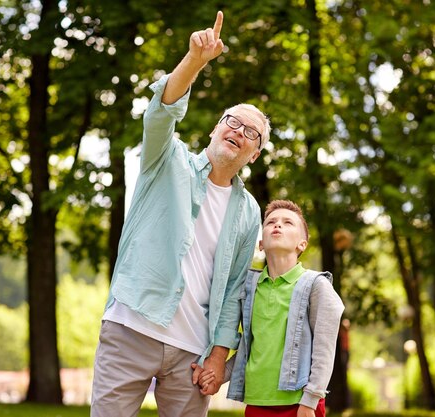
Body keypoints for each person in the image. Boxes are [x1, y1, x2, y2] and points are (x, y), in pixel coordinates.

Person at [90, 10, 271, 417]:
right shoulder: (166, 159)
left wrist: (218, 355)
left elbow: (233, 293)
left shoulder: (248, 212)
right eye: (232, 122)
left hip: (191, 351)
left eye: (251, 132)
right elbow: (161, 112)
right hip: (131, 330)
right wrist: (196, 60)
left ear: (254, 154)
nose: (238, 131)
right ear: (213, 129)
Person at [194, 200, 345, 417]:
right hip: (257, 402)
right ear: (261, 244)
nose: (277, 225)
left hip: (299, 403)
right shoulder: (249, 288)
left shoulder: (316, 286)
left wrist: (311, 399)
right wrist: (217, 375)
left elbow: (324, 350)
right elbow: (249, 349)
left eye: (288, 223)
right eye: (271, 222)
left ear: (302, 244)